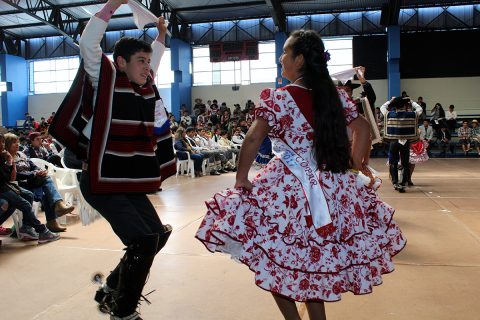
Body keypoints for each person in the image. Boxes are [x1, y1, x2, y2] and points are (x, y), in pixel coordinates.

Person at [196, 29, 406, 320]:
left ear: (299, 59)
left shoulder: (279, 98)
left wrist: (241, 177)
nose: (281, 58)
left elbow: (254, 139)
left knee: (275, 257)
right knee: (312, 262)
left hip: (288, 191)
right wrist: (355, 163)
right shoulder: (334, 97)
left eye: (285, 53)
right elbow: (362, 129)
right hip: (332, 188)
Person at [48, 1, 175, 319]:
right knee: (143, 241)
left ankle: (111, 288)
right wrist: (114, 4)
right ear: (120, 63)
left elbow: (154, 58)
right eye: (140, 61)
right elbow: (89, 43)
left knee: (157, 236)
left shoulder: (142, 88)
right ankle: (123, 311)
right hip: (100, 180)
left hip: (126, 180)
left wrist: (160, 35)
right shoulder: (103, 81)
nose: (148, 67)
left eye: (148, 61)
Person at [381, 97, 423, 192]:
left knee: (393, 162)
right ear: (405, 105)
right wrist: (411, 101)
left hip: (394, 141)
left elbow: (382, 107)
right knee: (405, 163)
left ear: (395, 106)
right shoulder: (411, 114)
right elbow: (420, 109)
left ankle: (395, 182)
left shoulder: (389, 114)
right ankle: (403, 183)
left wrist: (390, 101)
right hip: (405, 142)